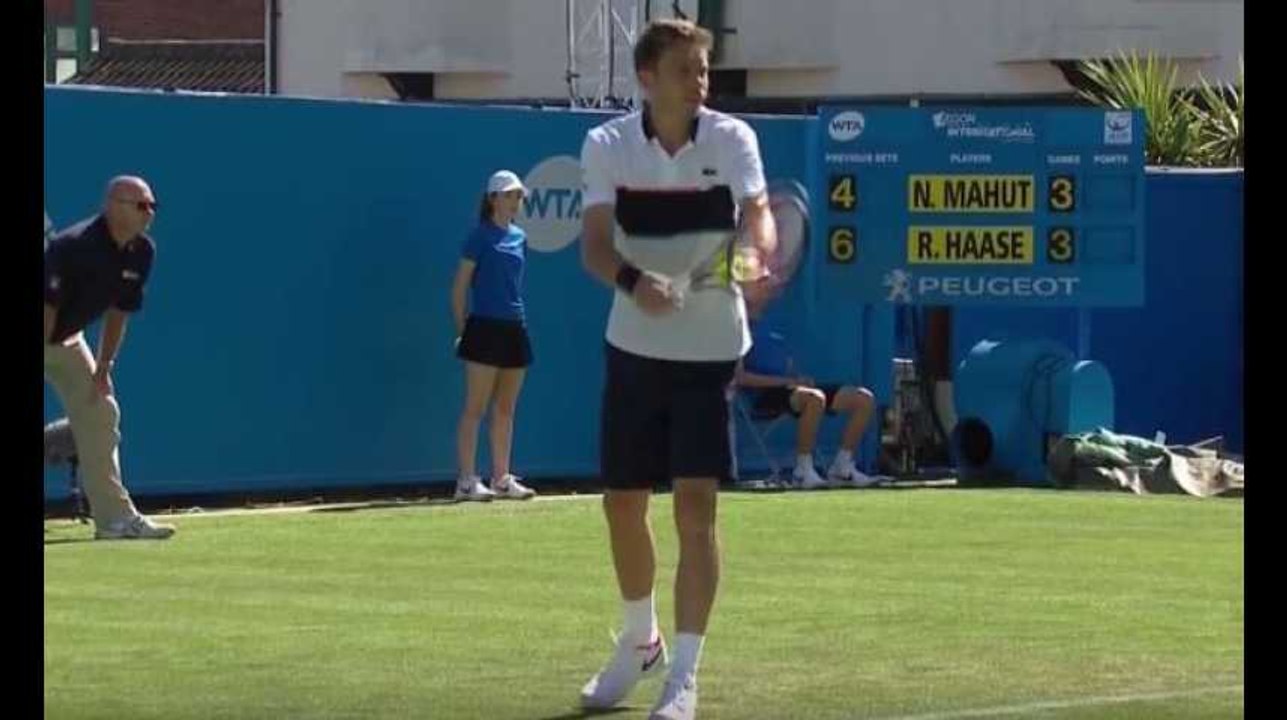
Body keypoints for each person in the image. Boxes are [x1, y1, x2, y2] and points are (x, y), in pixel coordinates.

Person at [577, 19, 777, 720]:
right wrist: (636, 284)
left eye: (703, 70)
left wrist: (755, 253)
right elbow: (595, 248)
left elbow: (759, 218)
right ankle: (640, 641)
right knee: (622, 504)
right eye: (686, 70)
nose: (700, 82)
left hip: (711, 349)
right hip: (631, 346)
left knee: (695, 506)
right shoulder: (606, 145)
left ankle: (683, 674)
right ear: (646, 78)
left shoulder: (732, 139)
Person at [43, 176, 175, 540]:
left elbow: (119, 311)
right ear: (113, 206)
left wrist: (103, 367)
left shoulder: (143, 252)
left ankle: (114, 520)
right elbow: (47, 308)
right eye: (141, 205)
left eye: (152, 206)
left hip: (67, 339)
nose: (149, 213)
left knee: (101, 413)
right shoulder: (73, 245)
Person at [450, 170, 537, 502]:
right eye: (510, 194)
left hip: (515, 326)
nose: (516, 200)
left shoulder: (520, 237)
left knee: (506, 408)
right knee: (475, 408)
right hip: (483, 327)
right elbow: (459, 288)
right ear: (493, 199)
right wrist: (463, 331)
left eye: (518, 195)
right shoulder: (479, 237)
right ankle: (466, 481)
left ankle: (501, 478)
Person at [735, 317, 879, 489]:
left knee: (863, 398)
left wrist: (799, 379)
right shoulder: (736, 332)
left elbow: (789, 369)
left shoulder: (772, 331)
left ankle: (842, 467)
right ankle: (802, 471)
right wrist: (786, 381)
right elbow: (740, 378)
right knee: (815, 398)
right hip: (762, 396)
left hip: (791, 389)